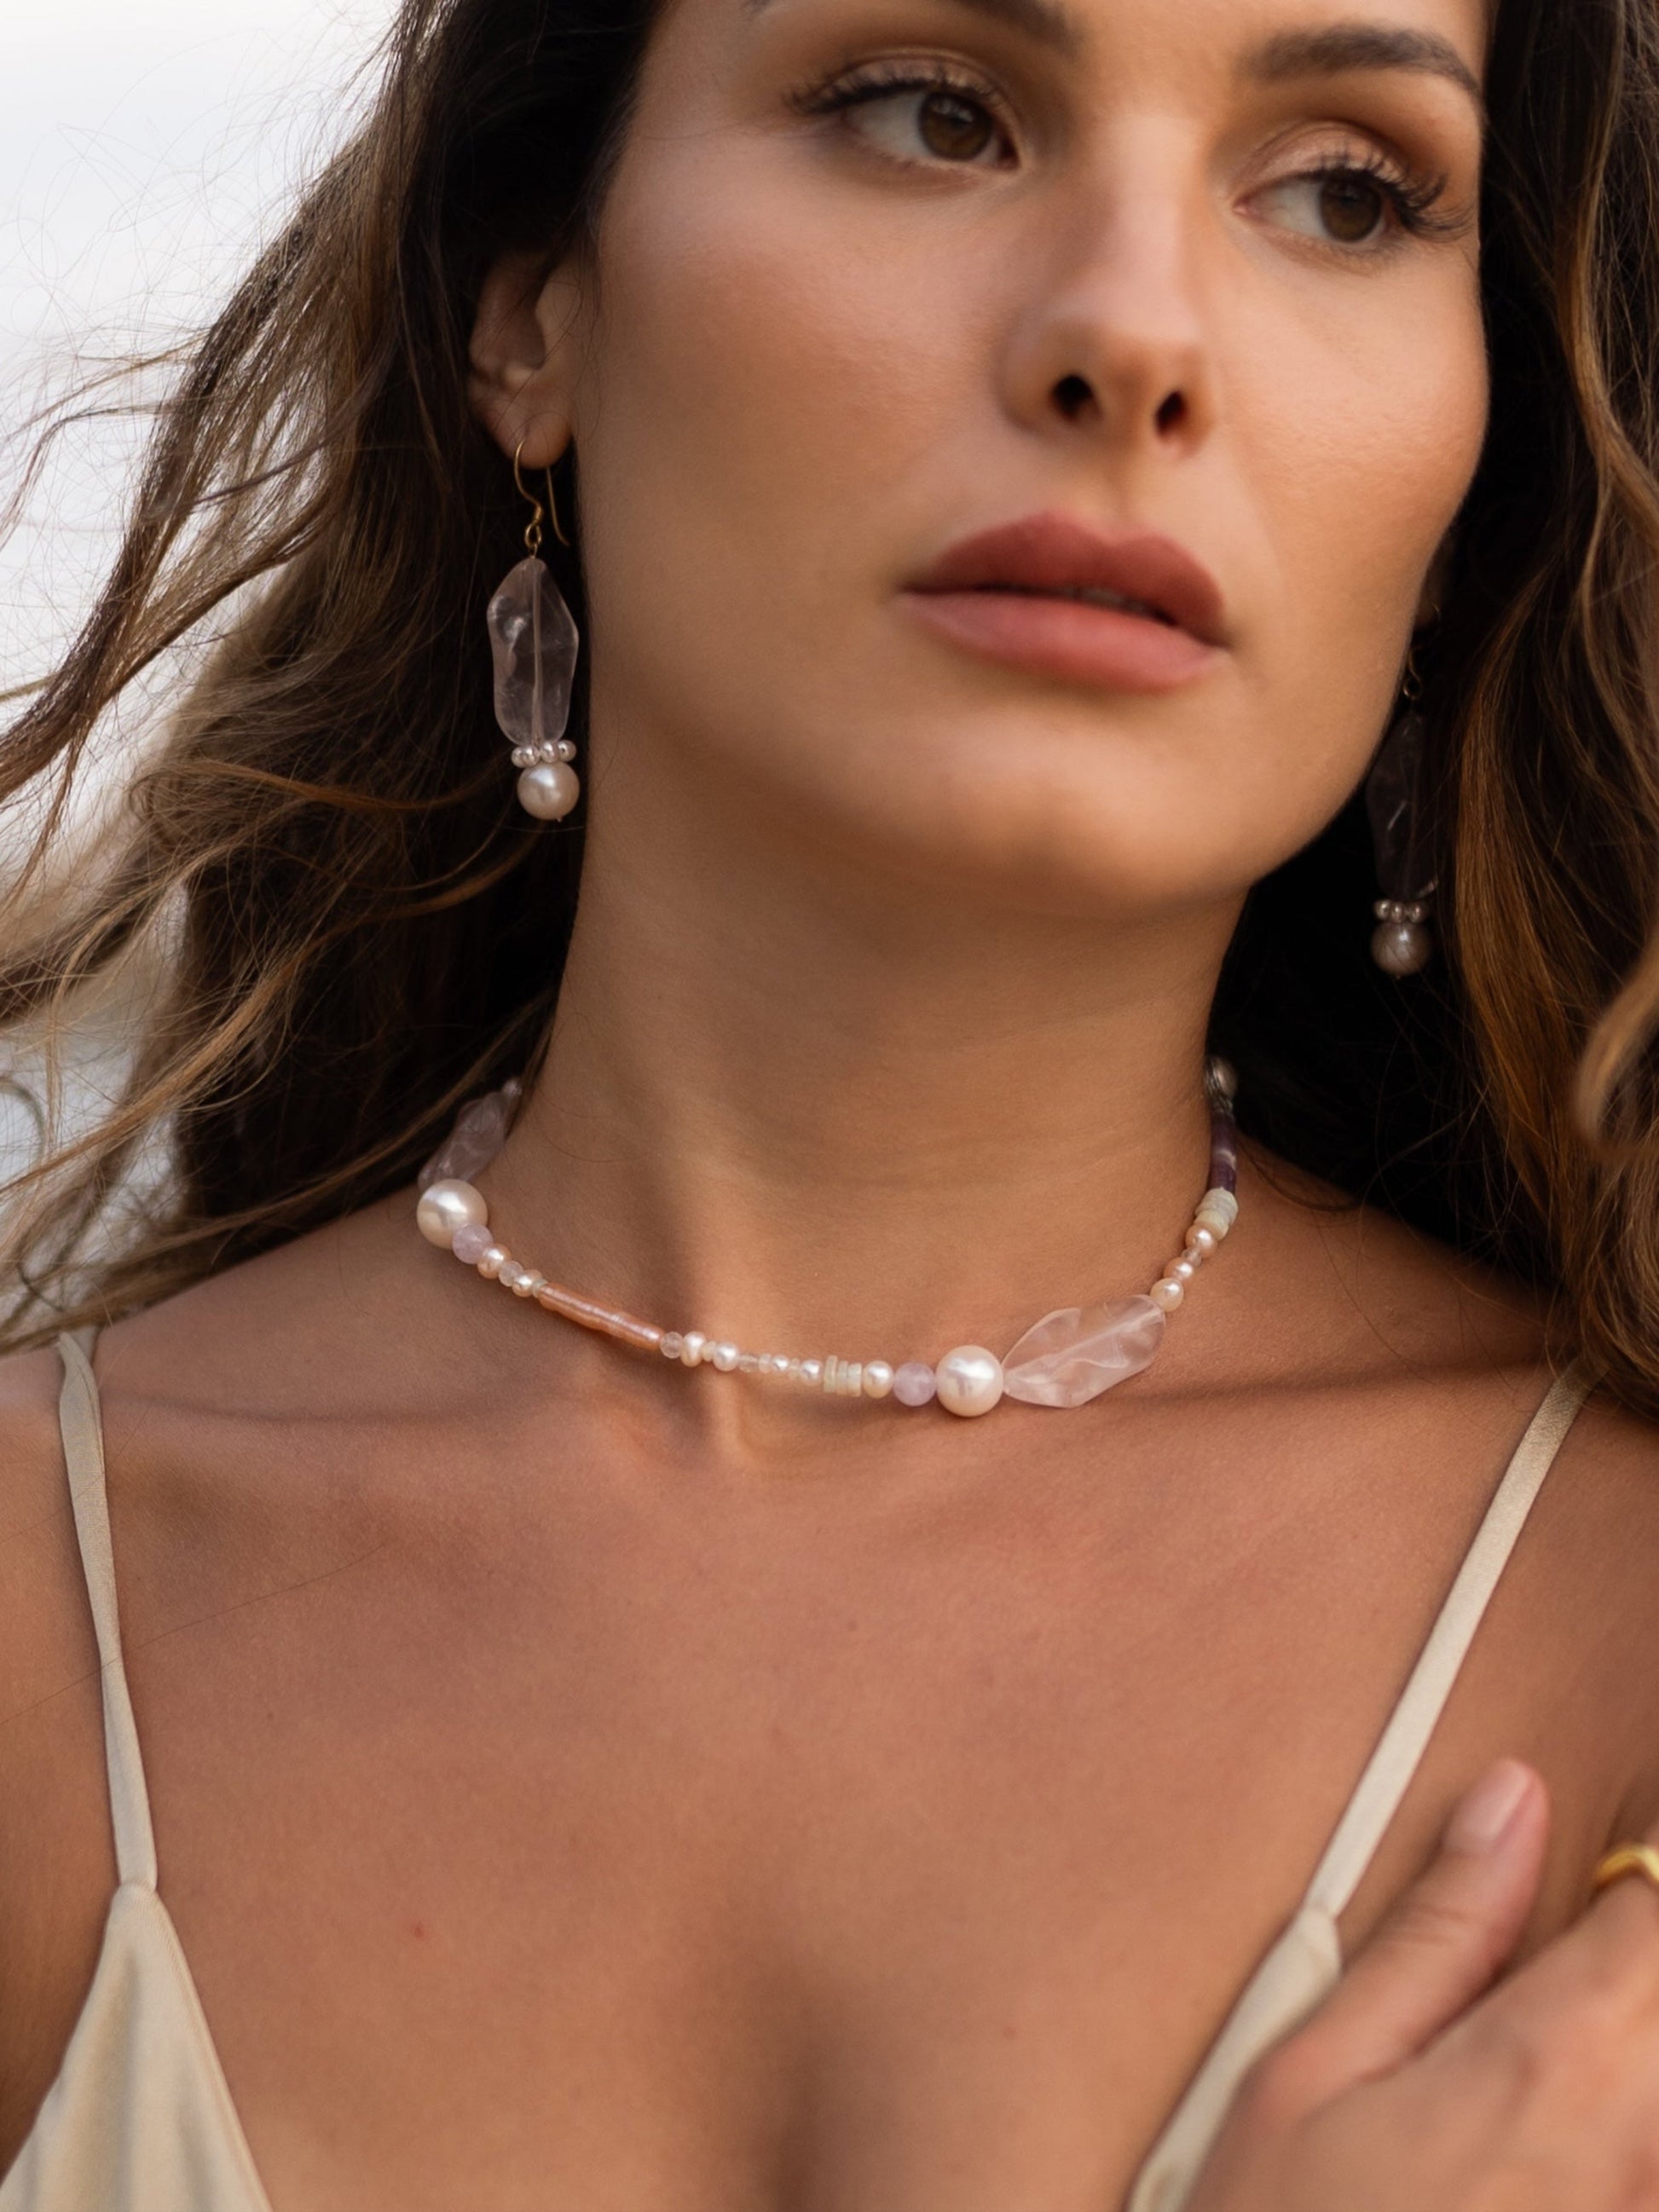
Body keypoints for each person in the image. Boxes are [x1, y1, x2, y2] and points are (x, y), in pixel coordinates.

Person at [3, 0, 1659, 2201]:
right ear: (531, 307)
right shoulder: (44, 1619)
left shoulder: (1621, 1630)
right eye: (931, 114)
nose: (1132, 338)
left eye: (1345, 190)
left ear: (1465, 481)